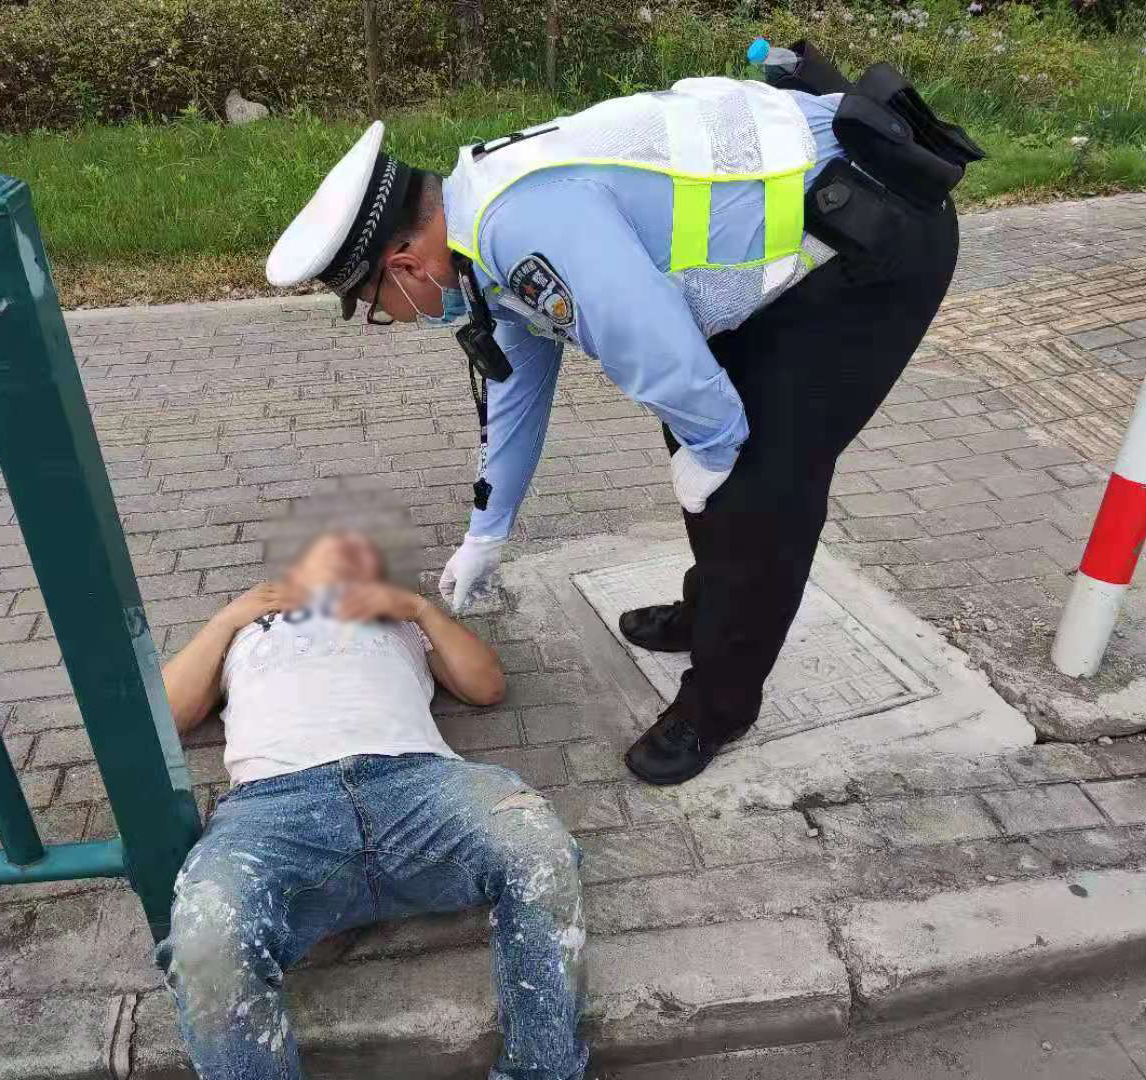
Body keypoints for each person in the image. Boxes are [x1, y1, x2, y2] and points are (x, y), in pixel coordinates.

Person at [263, 52, 978, 785]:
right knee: (706, 448)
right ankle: (710, 612)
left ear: (406, 263)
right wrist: (488, 530)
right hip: (796, 240)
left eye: (379, 305)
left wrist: (715, 447)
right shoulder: (478, 225)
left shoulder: (521, 227)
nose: (397, 316)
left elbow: (660, 355)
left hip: (871, 233)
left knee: (760, 487)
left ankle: (720, 705)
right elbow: (516, 391)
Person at [155, 529, 588, 1080]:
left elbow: (487, 687)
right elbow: (168, 715)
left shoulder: (403, 623)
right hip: (275, 808)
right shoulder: (248, 631)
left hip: (418, 784)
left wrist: (420, 610)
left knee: (539, 851)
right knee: (206, 937)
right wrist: (226, 620)